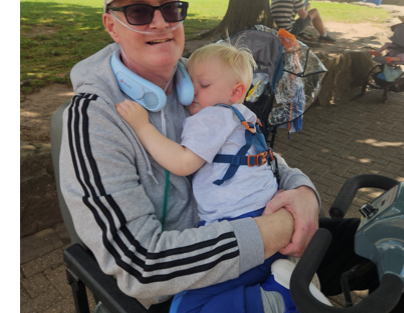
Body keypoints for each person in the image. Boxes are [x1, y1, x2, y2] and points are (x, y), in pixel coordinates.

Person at [57, 0, 401, 311]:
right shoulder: (93, 118)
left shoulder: (199, 79)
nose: (160, 22)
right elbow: (141, 264)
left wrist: (302, 191)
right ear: (111, 26)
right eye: (139, 12)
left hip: (256, 232)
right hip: (188, 279)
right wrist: (281, 227)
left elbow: (248, 148)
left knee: (395, 243)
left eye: (171, 8)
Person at [115, 41, 332, 312]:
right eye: (189, 83)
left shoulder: (211, 116)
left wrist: (142, 126)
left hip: (238, 222)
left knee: (187, 308)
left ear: (236, 91)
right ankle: (282, 288)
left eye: (203, 85)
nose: (191, 92)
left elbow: (182, 163)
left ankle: (282, 297)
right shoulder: (244, 114)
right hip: (264, 212)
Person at [271, 0, 335, 44]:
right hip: (289, 31)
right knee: (315, 11)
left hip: (278, 30)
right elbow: (303, 16)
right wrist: (307, 8)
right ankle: (324, 36)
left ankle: (302, 35)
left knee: (294, 22)